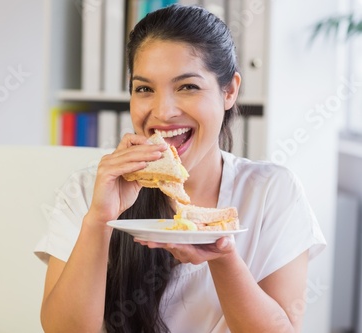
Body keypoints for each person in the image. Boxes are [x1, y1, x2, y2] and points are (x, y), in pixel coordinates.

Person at [35, 4, 326, 333]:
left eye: (187, 87)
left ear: (229, 90)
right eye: (144, 89)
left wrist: (223, 257)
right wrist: (100, 221)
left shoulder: (272, 191)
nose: (163, 112)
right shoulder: (89, 189)